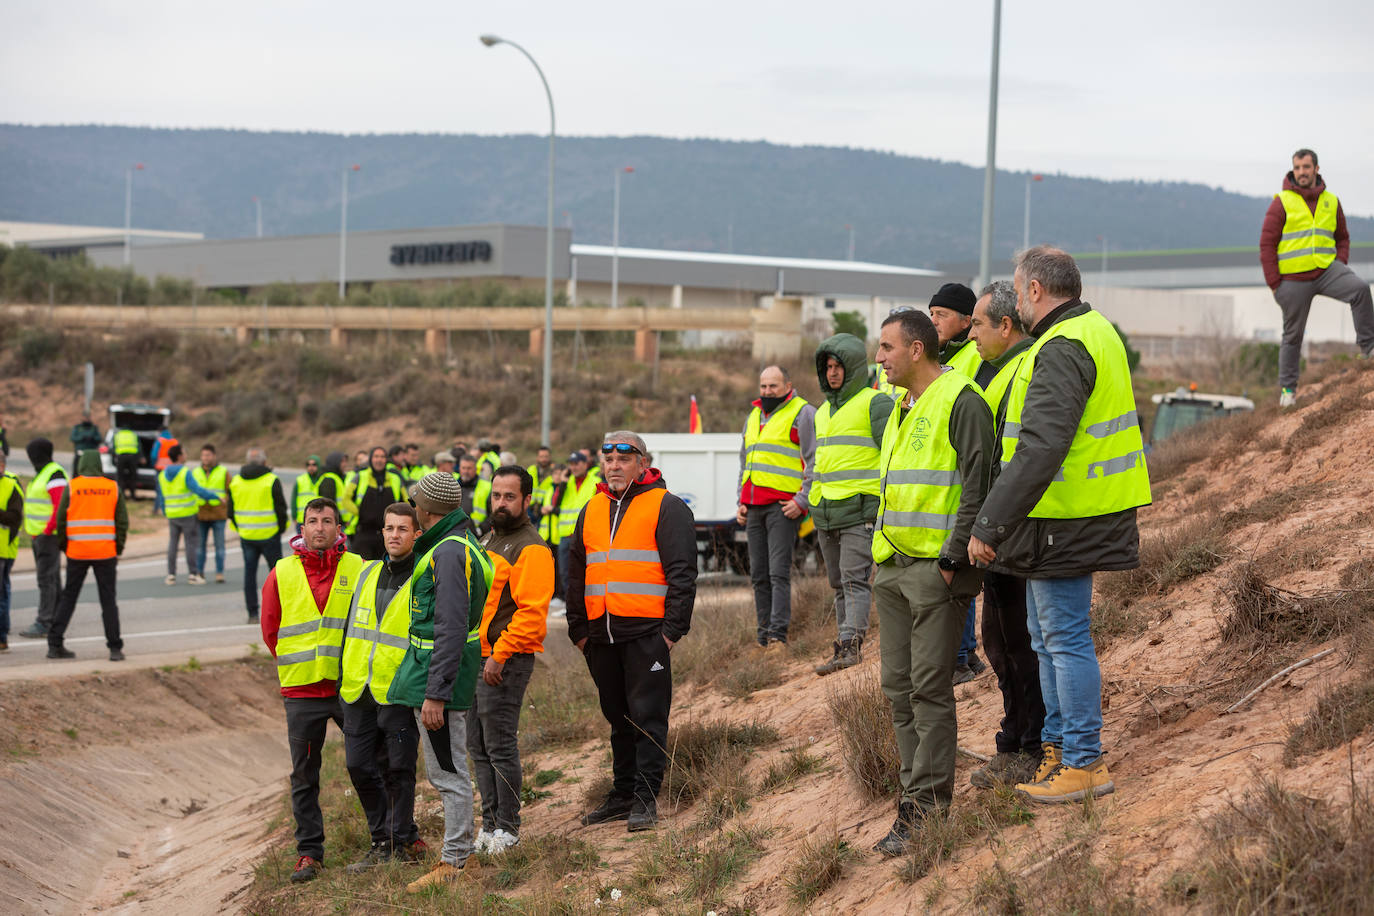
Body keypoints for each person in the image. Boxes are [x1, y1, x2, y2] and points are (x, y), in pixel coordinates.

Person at [968, 246, 1151, 805]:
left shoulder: (1064, 345)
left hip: (1070, 516)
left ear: (1036, 292)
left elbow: (1042, 447)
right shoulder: (1089, 332)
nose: (1016, 299)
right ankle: (1057, 751)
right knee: (1048, 638)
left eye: (1019, 290)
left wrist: (990, 524)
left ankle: (1082, 760)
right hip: (1073, 514)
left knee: (1063, 638)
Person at [869, 308, 994, 856]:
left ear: (917, 349)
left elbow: (979, 482)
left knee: (928, 690)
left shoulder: (961, 399)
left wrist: (951, 560)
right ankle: (910, 799)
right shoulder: (902, 406)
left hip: (934, 571)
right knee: (898, 689)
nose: (880, 358)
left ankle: (927, 809)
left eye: (887, 348)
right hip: (892, 567)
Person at [568, 432, 697, 833]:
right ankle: (622, 794)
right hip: (600, 637)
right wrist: (579, 631)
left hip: (647, 635)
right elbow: (573, 572)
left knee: (648, 718)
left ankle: (645, 798)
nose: (614, 464)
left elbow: (683, 574)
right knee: (617, 719)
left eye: (624, 457)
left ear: (643, 463)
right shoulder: (591, 508)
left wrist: (671, 633)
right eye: (607, 457)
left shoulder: (667, 506)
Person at [387, 472, 493, 893]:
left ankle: (454, 861)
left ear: (425, 509)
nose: (413, 506)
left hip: (439, 679)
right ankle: (457, 855)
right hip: (438, 673)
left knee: (448, 773)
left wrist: (436, 693)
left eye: (415, 502)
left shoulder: (447, 552)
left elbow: (449, 627)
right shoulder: (457, 543)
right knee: (447, 770)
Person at [964, 280, 1044, 788]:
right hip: (1000, 534)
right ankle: (1013, 739)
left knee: (1018, 645)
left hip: (1013, 535)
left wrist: (990, 526)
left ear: (1005, 325)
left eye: (976, 324)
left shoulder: (1024, 369)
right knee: (999, 642)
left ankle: (1029, 746)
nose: (970, 334)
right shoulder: (997, 373)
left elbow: (1014, 461)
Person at [260, 497, 364, 884]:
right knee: (304, 777)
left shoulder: (358, 568)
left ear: (339, 528)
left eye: (327, 521)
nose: (320, 527)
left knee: (367, 765)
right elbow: (272, 631)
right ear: (301, 529)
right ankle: (309, 853)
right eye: (312, 521)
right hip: (302, 693)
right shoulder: (281, 572)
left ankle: (387, 841)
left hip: (348, 688)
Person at [339, 502, 428, 871]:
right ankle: (387, 836)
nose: (394, 535)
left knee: (399, 770)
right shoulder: (366, 573)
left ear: (416, 534)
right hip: (358, 688)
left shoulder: (424, 578)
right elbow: (352, 628)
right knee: (358, 765)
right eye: (389, 528)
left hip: (397, 690)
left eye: (402, 529)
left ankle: (393, 843)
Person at [470, 466, 553, 854]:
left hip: (506, 660)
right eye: (496, 495)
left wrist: (499, 656)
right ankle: (488, 826)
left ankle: (509, 828)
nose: (500, 503)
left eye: (508, 497)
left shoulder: (530, 546)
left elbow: (532, 612)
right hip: (478, 658)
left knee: (499, 745)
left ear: (526, 500)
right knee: (477, 746)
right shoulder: (489, 539)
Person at [1259, 147, 1374, 406]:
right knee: (1292, 336)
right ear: (1293, 170)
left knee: (1360, 290)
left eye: (1306, 167)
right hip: (1292, 281)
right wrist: (1275, 285)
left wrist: (1340, 264)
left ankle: (1369, 351)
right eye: (1297, 168)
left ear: (1316, 169)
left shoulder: (1331, 201)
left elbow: (1342, 237)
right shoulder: (1282, 202)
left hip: (1326, 271)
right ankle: (1288, 392)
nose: (1301, 172)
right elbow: (1267, 245)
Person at [809, 333, 892, 675]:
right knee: (837, 583)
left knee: (854, 580)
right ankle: (844, 643)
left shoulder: (875, 404)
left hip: (860, 511)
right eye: (827, 367)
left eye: (838, 366)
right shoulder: (822, 412)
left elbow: (891, 457)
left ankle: (851, 645)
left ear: (854, 368)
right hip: (826, 511)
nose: (832, 373)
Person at [927, 282, 988, 683]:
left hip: (963, 476)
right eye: (930, 314)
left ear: (967, 322)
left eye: (942, 315)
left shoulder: (970, 359)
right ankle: (965, 654)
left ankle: (963, 656)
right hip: (945, 477)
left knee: (957, 563)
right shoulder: (946, 356)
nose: (933, 322)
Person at [736, 365, 816, 650]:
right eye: (764, 386)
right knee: (758, 575)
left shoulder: (803, 413)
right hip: (753, 507)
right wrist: (741, 502)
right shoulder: (753, 416)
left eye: (773, 386)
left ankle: (777, 637)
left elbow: (815, 461)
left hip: (782, 508)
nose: (767, 391)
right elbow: (746, 464)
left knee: (777, 573)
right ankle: (762, 638)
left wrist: (801, 500)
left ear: (787, 385)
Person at [46, 450, 127, 661]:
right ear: (99, 464)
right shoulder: (112, 487)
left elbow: (61, 520)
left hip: (77, 552)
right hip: (105, 552)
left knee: (68, 598)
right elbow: (122, 522)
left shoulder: (72, 487)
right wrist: (118, 548)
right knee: (108, 600)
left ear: (81, 464)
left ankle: (54, 644)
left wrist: (65, 546)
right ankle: (115, 648)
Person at [229, 447, 289, 623]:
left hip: (247, 535)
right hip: (270, 534)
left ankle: (253, 614)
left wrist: (241, 527)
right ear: (264, 462)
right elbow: (281, 508)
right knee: (278, 576)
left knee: (249, 574)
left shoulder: (236, 481)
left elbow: (230, 511)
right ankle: (282, 613)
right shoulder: (271, 480)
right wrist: (281, 528)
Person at [17, 438, 66, 639]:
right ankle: (56, 618)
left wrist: (47, 530)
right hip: (40, 535)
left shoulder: (54, 473)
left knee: (46, 579)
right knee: (52, 579)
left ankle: (44, 622)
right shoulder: (43, 473)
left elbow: (60, 506)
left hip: (48, 536)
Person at [158, 444, 218, 586]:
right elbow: (197, 490)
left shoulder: (162, 474)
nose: (186, 455)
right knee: (190, 544)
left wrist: (166, 511)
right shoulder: (185, 472)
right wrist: (215, 496)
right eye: (184, 453)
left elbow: (161, 497)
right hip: (188, 514)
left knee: (173, 544)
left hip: (172, 514)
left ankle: (171, 575)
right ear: (179, 456)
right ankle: (192, 574)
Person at [343, 447, 406, 561]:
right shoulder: (360, 477)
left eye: (382, 457)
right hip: (363, 533)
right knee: (363, 571)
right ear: (371, 459)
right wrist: (360, 512)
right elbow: (346, 500)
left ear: (386, 460)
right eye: (376, 456)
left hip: (388, 535)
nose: (379, 460)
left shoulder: (395, 479)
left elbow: (406, 502)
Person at [555, 452, 599, 601]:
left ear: (585, 464)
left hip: (585, 536)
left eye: (577, 464)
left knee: (583, 573)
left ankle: (582, 605)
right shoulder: (566, 483)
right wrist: (561, 483)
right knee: (565, 574)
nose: (573, 467)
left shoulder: (595, 481)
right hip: (565, 536)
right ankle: (569, 605)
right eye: (571, 464)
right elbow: (556, 503)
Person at [193, 444, 231, 584]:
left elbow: (229, 490)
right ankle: (200, 572)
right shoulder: (195, 472)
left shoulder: (223, 471)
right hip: (201, 514)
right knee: (200, 546)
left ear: (214, 456)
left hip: (218, 514)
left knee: (219, 546)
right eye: (203, 455)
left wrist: (225, 502)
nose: (205, 458)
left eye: (208, 455)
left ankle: (219, 572)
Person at [0, 451, 21, 651]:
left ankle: (1, 637)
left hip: (2, 550)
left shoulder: (10, 486)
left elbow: (15, 518)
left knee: (1, 595)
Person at [455, 455, 491, 537]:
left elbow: (493, 514)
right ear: (459, 468)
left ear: (476, 469)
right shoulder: (453, 485)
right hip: (455, 534)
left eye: (469, 468)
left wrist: (481, 529)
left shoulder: (486, 487)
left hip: (478, 536)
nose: (465, 471)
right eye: (463, 468)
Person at [292, 456, 322, 529]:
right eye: (308, 465)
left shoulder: (324, 479)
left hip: (319, 520)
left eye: (314, 464)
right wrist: (294, 517)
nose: (311, 467)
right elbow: (293, 499)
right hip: (302, 520)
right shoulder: (300, 480)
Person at [112, 424, 141, 501]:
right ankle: (133, 496)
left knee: (120, 477)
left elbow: (113, 448)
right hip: (132, 457)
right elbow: (139, 447)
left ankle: (122, 496)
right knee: (133, 476)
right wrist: (140, 458)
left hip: (121, 457)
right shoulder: (133, 435)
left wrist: (113, 459)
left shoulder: (117, 435)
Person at [69, 412, 102, 476]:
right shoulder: (77, 428)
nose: (86, 419)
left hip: (91, 454)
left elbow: (99, 438)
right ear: (82, 418)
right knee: (77, 470)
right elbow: (73, 438)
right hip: (80, 453)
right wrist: (82, 438)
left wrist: (92, 438)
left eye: (88, 418)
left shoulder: (94, 428)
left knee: (92, 471)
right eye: (85, 418)